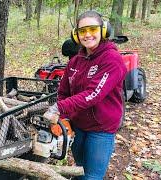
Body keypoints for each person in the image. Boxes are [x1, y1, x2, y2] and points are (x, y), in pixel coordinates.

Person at [46, 10, 127, 179]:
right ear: (76, 35)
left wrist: (58, 107)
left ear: (103, 30)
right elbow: (64, 91)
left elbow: (93, 94)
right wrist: (65, 117)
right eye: (82, 31)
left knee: (92, 176)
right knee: (79, 169)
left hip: (101, 128)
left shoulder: (112, 59)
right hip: (79, 125)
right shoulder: (76, 61)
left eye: (92, 29)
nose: (87, 34)